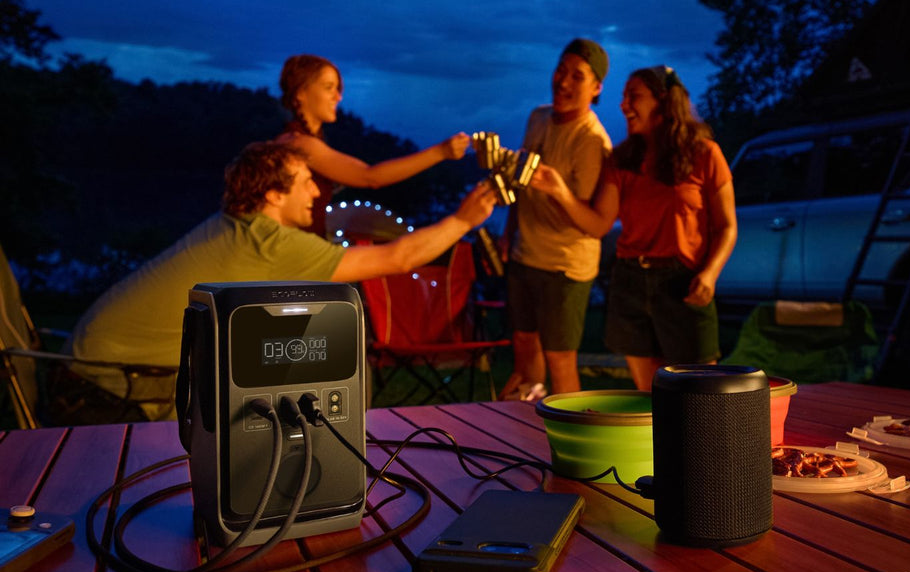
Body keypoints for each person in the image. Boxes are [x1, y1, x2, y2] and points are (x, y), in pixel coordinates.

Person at [68, 140, 496, 411]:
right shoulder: (269, 241)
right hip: (106, 390)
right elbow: (398, 259)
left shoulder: (238, 225)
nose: (316, 192)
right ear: (273, 194)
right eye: (307, 182)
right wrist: (463, 220)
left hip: (89, 366)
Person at [530, 66, 737, 392]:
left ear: (664, 101)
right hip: (631, 282)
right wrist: (559, 192)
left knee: (701, 395)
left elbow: (727, 226)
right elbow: (599, 224)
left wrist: (710, 273)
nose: (623, 105)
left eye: (634, 97)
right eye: (624, 97)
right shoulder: (622, 159)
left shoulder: (704, 154)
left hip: (682, 283)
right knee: (649, 397)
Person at [500, 38, 612, 399]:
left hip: (566, 264)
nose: (563, 82)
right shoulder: (538, 117)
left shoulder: (592, 140)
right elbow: (521, 180)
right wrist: (509, 231)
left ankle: (571, 439)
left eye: (576, 76)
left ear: (596, 88)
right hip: (525, 253)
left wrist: (559, 190)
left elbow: (590, 220)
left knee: (560, 359)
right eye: (560, 71)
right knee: (523, 344)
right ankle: (527, 427)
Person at [275, 54, 470, 235]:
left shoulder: (305, 140)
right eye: (328, 87)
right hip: (301, 262)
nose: (338, 97)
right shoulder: (299, 143)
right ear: (300, 93)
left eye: (338, 89)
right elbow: (370, 177)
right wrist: (441, 152)